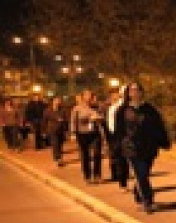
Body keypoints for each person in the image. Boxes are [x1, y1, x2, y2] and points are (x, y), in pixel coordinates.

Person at [114, 81, 170, 214]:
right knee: (141, 173)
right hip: (132, 147)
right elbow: (119, 130)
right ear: (128, 93)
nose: (135, 92)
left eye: (138, 90)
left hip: (149, 147)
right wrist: (117, 146)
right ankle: (148, 201)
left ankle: (139, 195)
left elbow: (158, 126)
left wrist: (163, 141)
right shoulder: (122, 110)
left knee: (144, 173)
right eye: (132, 90)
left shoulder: (149, 109)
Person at [70, 89, 103, 184]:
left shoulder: (96, 107)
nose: (89, 97)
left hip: (95, 133)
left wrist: (98, 118)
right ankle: (87, 176)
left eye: (90, 95)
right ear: (83, 97)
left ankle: (97, 175)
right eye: (87, 95)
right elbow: (73, 121)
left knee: (97, 153)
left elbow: (103, 117)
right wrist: (73, 133)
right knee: (85, 155)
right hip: (82, 133)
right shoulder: (77, 108)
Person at [106, 86, 129, 191]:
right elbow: (111, 125)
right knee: (121, 161)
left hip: (132, 138)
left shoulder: (134, 106)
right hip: (119, 137)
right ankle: (122, 182)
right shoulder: (114, 107)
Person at [42, 96, 69, 166]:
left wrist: (66, 129)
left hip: (61, 130)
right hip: (52, 130)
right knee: (55, 144)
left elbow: (67, 120)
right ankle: (59, 159)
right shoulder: (47, 111)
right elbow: (44, 121)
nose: (58, 102)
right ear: (53, 101)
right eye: (57, 100)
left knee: (60, 145)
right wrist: (44, 131)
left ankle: (57, 157)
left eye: (59, 100)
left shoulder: (63, 110)